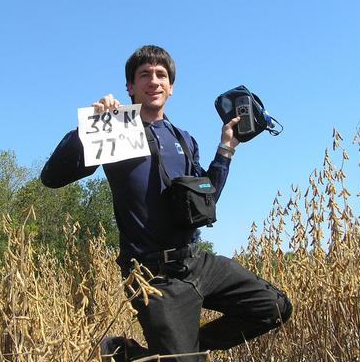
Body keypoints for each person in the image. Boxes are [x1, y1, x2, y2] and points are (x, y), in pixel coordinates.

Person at [41, 45, 292, 361]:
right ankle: (143, 354)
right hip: (152, 274)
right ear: (130, 87)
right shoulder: (116, 127)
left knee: (273, 307)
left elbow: (205, 200)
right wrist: (88, 128)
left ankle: (178, 352)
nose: (154, 81)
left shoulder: (184, 139)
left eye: (161, 75)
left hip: (196, 262)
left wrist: (226, 149)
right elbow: (51, 177)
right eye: (144, 75)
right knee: (181, 358)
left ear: (171, 87)